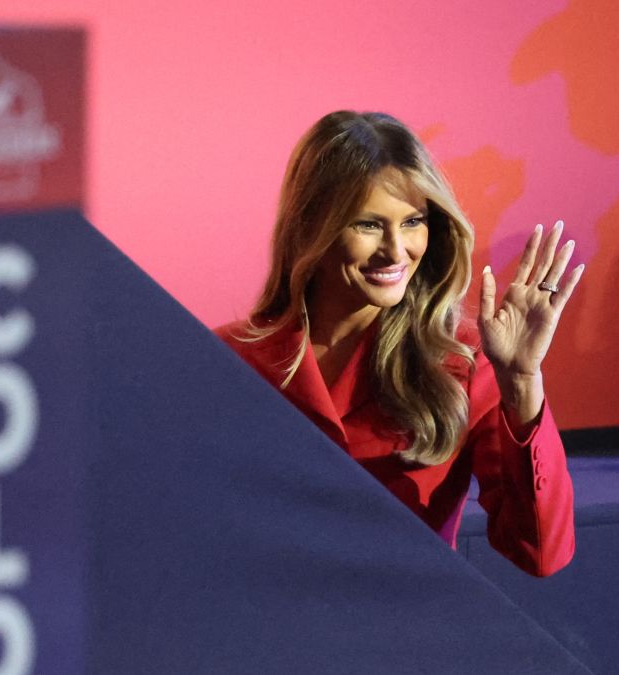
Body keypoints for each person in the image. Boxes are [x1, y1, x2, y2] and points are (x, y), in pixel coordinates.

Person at [215, 111, 583, 577]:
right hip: (264, 630)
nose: (396, 250)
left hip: (405, 637)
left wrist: (523, 382)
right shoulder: (228, 359)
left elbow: (539, 554)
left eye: (413, 222)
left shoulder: (463, 365)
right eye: (368, 225)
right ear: (311, 225)